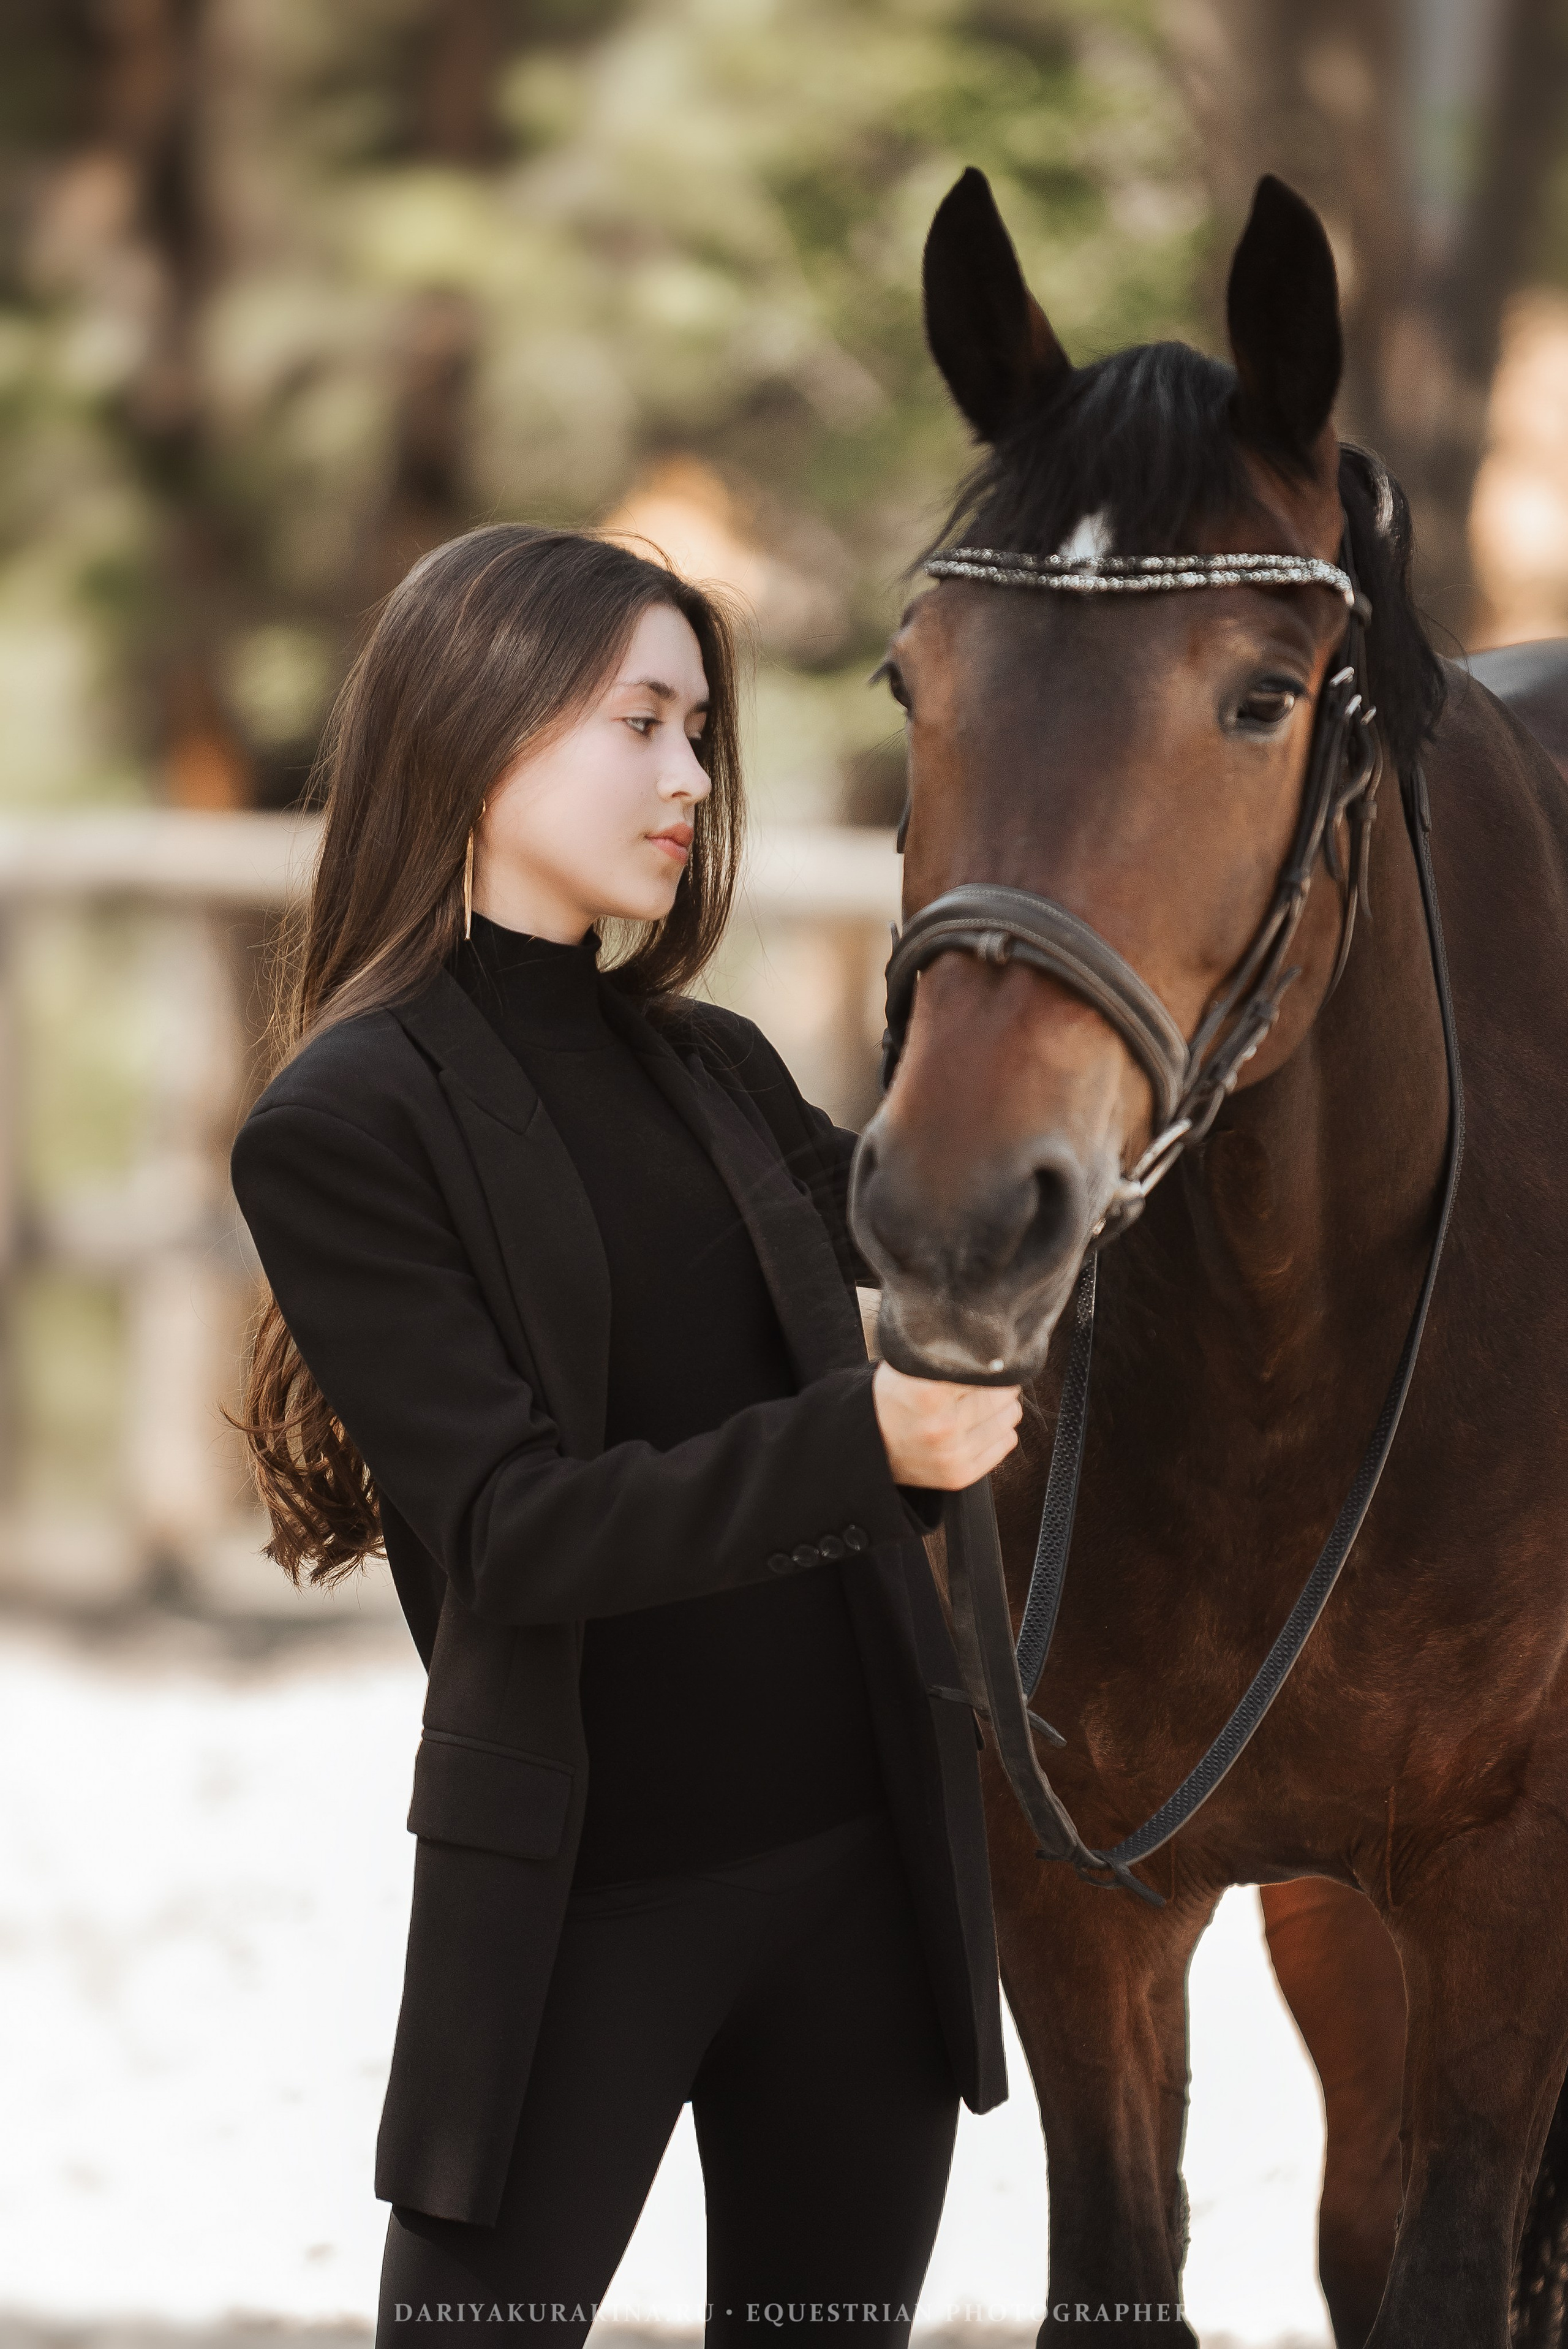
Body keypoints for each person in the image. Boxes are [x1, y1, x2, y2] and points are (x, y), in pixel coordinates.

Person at [228, 524, 1019, 2347]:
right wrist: (870, 1442)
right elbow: (515, 1530)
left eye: (700, 732)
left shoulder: (715, 1065)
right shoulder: (344, 1121)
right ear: (484, 722)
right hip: (585, 1907)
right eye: (641, 722)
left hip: (862, 1884)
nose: (688, 776)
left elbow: (941, 1246)